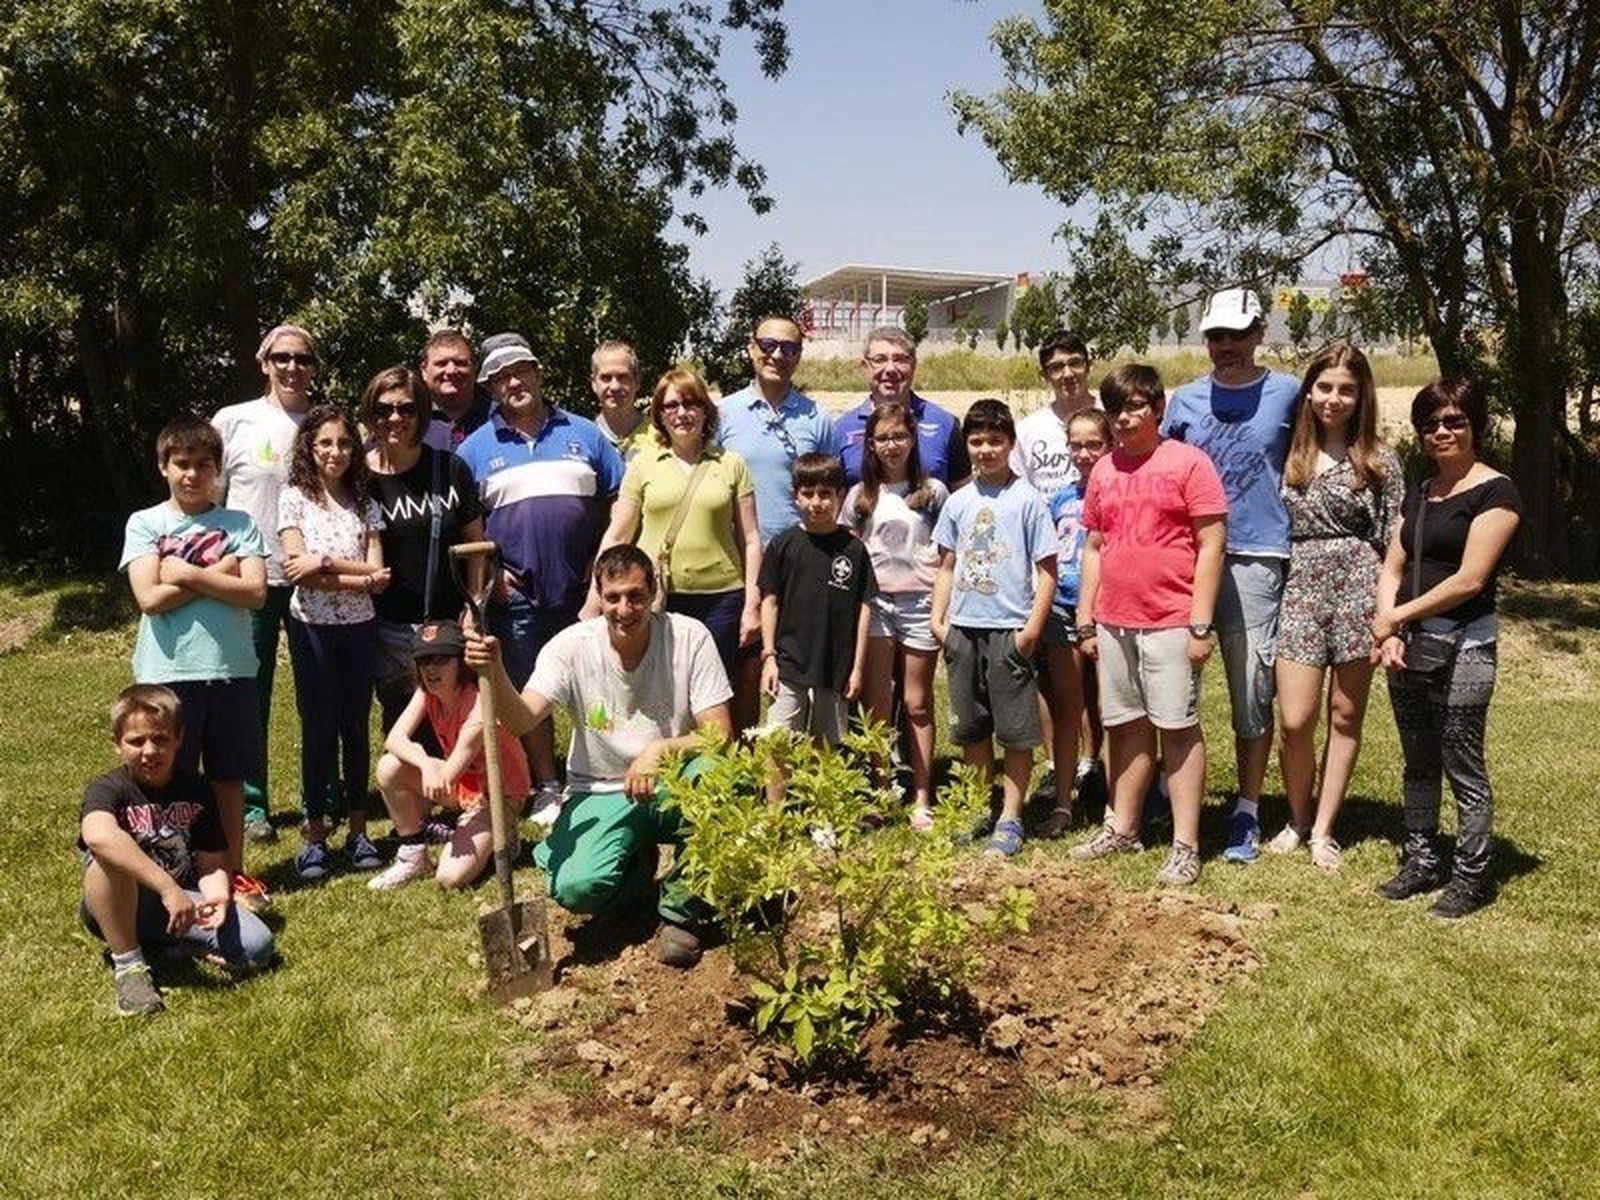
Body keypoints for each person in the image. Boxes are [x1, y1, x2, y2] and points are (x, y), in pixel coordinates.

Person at [465, 544, 733, 968]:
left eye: (635, 596)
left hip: (676, 781)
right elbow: (520, 719)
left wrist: (660, 750)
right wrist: (495, 669)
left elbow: (719, 734)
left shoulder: (688, 637)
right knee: (577, 888)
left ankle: (681, 909)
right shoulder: (571, 647)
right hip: (602, 789)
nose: (624, 608)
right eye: (613, 597)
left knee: (725, 782)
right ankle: (637, 884)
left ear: (653, 593)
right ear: (598, 595)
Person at [1070, 365, 1228, 887]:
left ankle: (1186, 844)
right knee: (1125, 727)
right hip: (1115, 622)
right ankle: (1124, 826)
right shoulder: (1104, 471)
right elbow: (1094, 548)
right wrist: (1086, 617)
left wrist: (1200, 624)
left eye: (1136, 405)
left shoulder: (1189, 464)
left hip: (1171, 620)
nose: (1125, 417)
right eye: (1116, 408)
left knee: (1177, 729)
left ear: (1158, 408)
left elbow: (1211, 544)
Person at [456, 332, 624, 819]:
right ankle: (547, 783)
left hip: (585, 590)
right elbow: (469, 531)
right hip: (518, 593)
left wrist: (602, 578)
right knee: (534, 686)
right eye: (503, 376)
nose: (515, 381)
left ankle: (599, 770)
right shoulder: (474, 451)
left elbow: (619, 506)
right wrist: (489, 580)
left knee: (597, 683)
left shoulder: (586, 435)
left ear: (538, 371)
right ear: (490, 387)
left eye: (522, 370)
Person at [1371, 377, 1521, 919]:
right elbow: (1393, 564)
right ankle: (1421, 859)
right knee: (1417, 759)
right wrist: (1387, 632)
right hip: (1410, 646)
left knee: (1461, 758)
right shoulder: (1422, 490)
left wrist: (1393, 619)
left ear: (1475, 425)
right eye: (1430, 423)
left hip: (1466, 646)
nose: (1441, 431)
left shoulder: (1497, 492)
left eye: (1454, 420)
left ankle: (1472, 875)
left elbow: (1469, 580)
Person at [1161, 287, 1300, 865]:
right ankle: (1172, 800)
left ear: (1259, 332)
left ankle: (1246, 807)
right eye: (1216, 336)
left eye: (1237, 334)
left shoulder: (1290, 395)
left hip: (1256, 556)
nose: (1226, 347)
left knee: (1251, 688)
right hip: (1186, 559)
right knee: (1174, 687)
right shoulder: (1185, 401)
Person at [121, 413, 268, 895]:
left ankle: (231, 872)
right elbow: (148, 598)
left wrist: (185, 574)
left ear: (218, 469)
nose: (192, 474)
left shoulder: (239, 523)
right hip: (167, 672)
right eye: (181, 463)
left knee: (228, 777)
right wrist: (220, 572)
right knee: (171, 777)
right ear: (163, 466)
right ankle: (175, 874)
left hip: (230, 670)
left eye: (203, 464)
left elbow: (256, 594)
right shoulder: (145, 523)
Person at [1270, 345, 1404, 871]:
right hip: (1300, 590)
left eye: (1346, 389)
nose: (1334, 399)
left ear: (1361, 395)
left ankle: (1324, 828)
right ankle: (1296, 817)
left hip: (1358, 589)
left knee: (1345, 715)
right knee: (1296, 719)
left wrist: (1390, 616)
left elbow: (1396, 538)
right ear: (1309, 391)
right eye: (1325, 387)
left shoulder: (1379, 459)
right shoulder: (1288, 453)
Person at [79, 685, 276, 1016]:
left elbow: (212, 860)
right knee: (108, 858)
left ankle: (168, 944)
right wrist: (168, 888)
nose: (149, 750)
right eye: (136, 741)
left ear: (179, 739)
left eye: (160, 739)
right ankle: (129, 965)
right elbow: (98, 836)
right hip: (122, 903)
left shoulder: (196, 788)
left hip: (181, 904)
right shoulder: (108, 788)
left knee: (258, 948)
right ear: (117, 744)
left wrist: (218, 898)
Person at [930, 399, 1057, 859]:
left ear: (1010, 443)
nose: (986, 450)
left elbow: (1046, 571)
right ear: (967, 445)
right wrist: (938, 620)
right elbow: (946, 565)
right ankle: (977, 807)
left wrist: (1030, 632)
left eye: (995, 441)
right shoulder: (959, 501)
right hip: (963, 630)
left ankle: (1010, 815)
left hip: (1009, 630)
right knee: (973, 728)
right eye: (977, 441)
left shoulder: (1027, 501)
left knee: (1016, 731)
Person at [213, 323, 317, 846]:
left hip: (312, 577)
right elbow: (211, 501)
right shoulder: (234, 421)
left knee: (316, 694)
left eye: (302, 358)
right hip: (250, 578)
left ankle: (318, 798)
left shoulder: (322, 424)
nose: (292, 367)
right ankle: (252, 806)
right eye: (282, 358)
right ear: (264, 363)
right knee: (248, 694)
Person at [588, 368, 761, 681]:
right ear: (659, 414)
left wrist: (752, 603)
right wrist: (593, 596)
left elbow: (750, 539)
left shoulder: (731, 463)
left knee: (716, 687)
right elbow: (618, 533)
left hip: (721, 598)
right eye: (671, 406)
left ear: (705, 410)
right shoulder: (642, 465)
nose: (682, 413)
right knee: (662, 685)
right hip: (656, 596)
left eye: (690, 403)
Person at [277, 404, 390, 880]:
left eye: (344, 443)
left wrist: (323, 564)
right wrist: (356, 573)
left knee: (355, 727)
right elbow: (296, 569)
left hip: (360, 629)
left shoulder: (366, 501)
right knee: (317, 728)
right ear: (310, 446)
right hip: (311, 628)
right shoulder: (293, 498)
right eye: (325, 442)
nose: (335, 452)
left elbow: (381, 574)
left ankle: (360, 830)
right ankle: (315, 836)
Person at [717, 314, 839, 730]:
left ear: (799, 356)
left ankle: (798, 762)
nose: (776, 355)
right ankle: (745, 758)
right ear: (751, 348)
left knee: (799, 667)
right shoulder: (723, 414)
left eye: (788, 348)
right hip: (737, 561)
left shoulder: (817, 419)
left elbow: (830, 485)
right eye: (767, 345)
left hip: (800, 563)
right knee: (744, 667)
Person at [363, 365, 486, 735]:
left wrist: (475, 606)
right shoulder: (359, 479)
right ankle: (410, 790)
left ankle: (459, 791)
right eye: (384, 409)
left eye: (406, 408)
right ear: (371, 414)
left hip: (449, 621)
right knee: (403, 722)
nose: (395, 418)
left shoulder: (449, 469)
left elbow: (476, 547)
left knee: (457, 718)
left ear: (422, 412)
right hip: (388, 627)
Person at [841, 400, 946, 825]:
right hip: (876, 605)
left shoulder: (933, 493)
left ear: (913, 439)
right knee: (877, 702)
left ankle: (922, 795)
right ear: (870, 445)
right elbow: (849, 551)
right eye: (882, 438)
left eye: (899, 436)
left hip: (920, 603)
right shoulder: (860, 496)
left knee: (917, 702)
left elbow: (947, 553)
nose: (891, 445)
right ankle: (881, 791)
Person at [368, 620, 531, 890]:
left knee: (449, 878)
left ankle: (503, 832)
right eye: (424, 660)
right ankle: (413, 856)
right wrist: (423, 760)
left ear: (461, 663)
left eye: (442, 660)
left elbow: (449, 773)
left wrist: (432, 770)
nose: (431, 669)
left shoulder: (481, 702)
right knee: (389, 767)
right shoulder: (427, 692)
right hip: (462, 788)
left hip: (498, 796)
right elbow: (394, 739)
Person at [758, 453, 876, 746]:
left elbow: (864, 610)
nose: (816, 502)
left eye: (825, 494)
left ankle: (821, 795)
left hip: (834, 666)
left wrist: (858, 668)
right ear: (796, 496)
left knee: (828, 750)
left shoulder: (853, 549)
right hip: (788, 664)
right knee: (778, 744)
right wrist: (769, 657)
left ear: (840, 495)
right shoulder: (783, 544)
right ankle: (777, 795)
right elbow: (769, 602)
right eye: (807, 494)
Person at [1036, 407, 1113, 836]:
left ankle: (1105, 778)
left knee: (1106, 701)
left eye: (1093, 445)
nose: (1084, 454)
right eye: (1076, 445)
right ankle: (1065, 788)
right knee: (1068, 700)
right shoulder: (1061, 497)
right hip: (1062, 604)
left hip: (1106, 608)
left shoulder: (1116, 490)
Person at [836, 327, 969, 487]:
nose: (890, 369)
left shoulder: (946, 425)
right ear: (865, 367)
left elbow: (962, 497)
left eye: (900, 359)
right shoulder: (840, 430)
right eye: (880, 360)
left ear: (913, 365)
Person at [1012, 329, 1099, 497]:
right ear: (1044, 375)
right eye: (1057, 367)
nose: (1067, 374)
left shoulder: (1113, 421)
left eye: (1075, 363)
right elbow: (1017, 494)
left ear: (1089, 367)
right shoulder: (1026, 431)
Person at [418, 329, 492, 450]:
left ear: (475, 368)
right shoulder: (410, 418)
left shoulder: (501, 416)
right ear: (424, 371)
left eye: (460, 363)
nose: (451, 370)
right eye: (441, 363)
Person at [590, 340, 652, 461]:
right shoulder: (584, 438)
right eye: (606, 378)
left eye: (623, 377)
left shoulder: (660, 438)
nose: (615, 386)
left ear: (637, 381)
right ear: (594, 383)